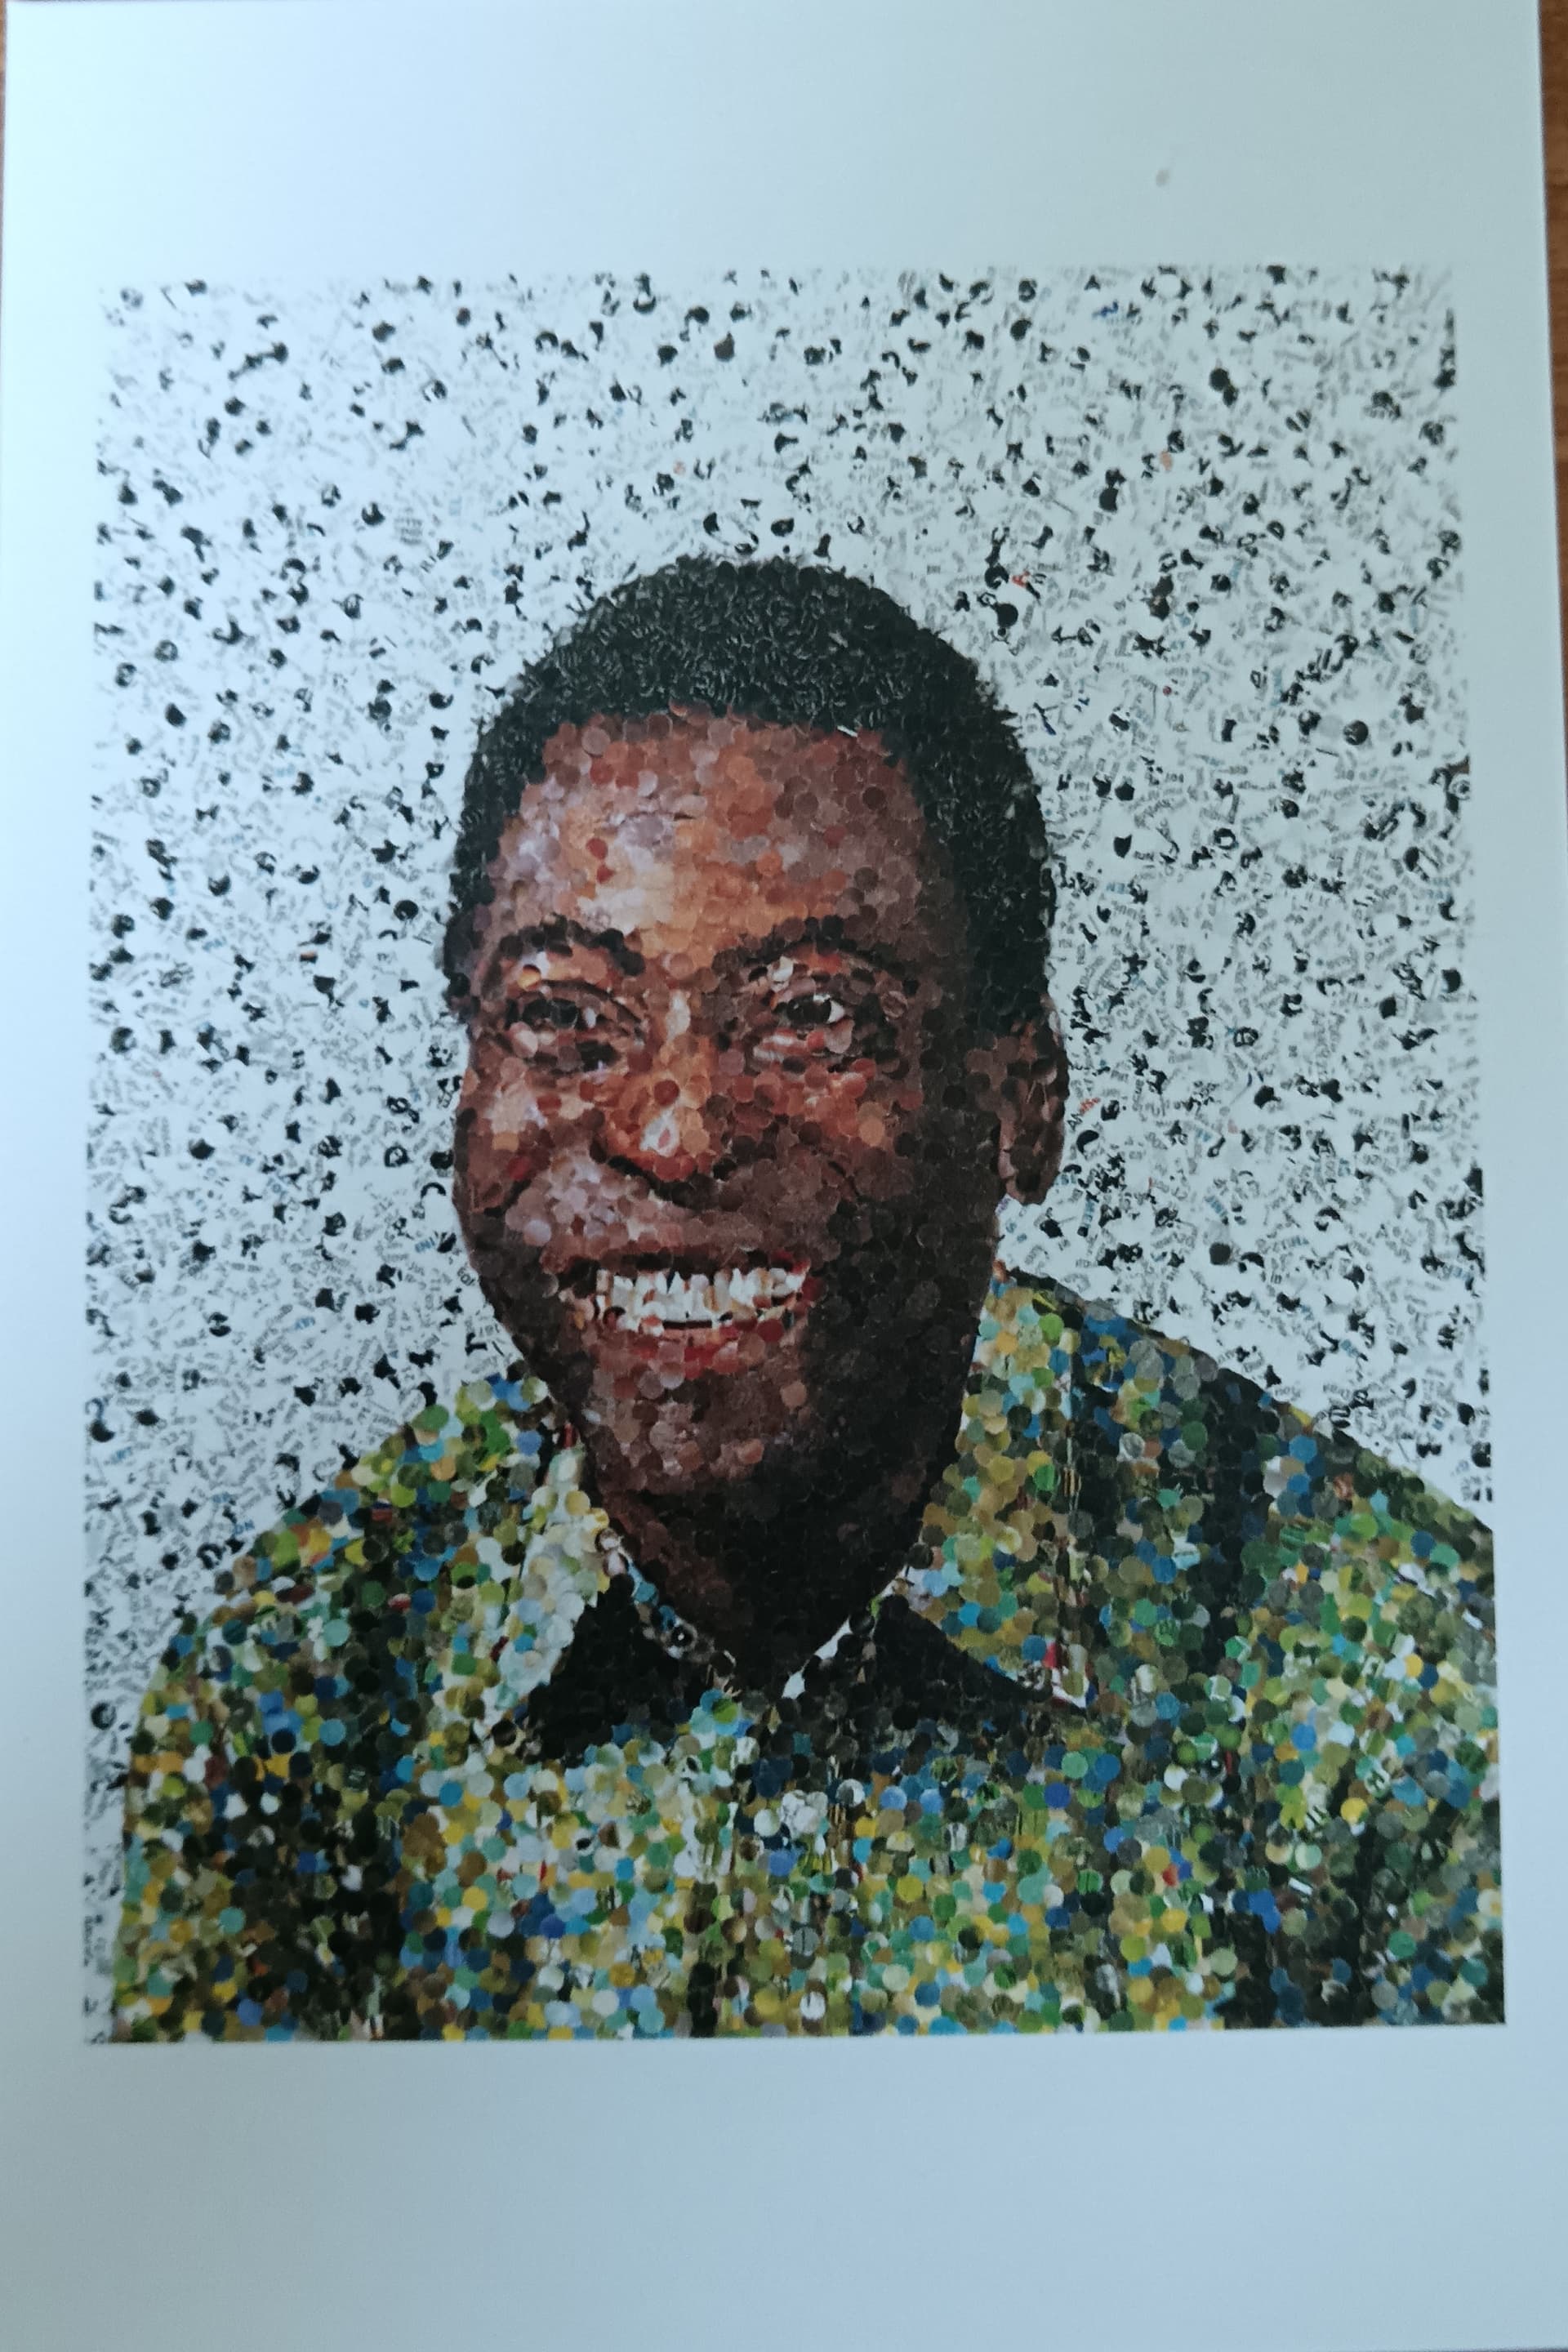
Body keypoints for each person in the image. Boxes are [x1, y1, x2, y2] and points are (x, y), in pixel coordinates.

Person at [113, 558, 1499, 2040]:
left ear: (1021, 1103)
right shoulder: (303, 1684)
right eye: (565, 1017)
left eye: (812, 1016)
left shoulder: (1384, 1670)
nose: (673, 1133)